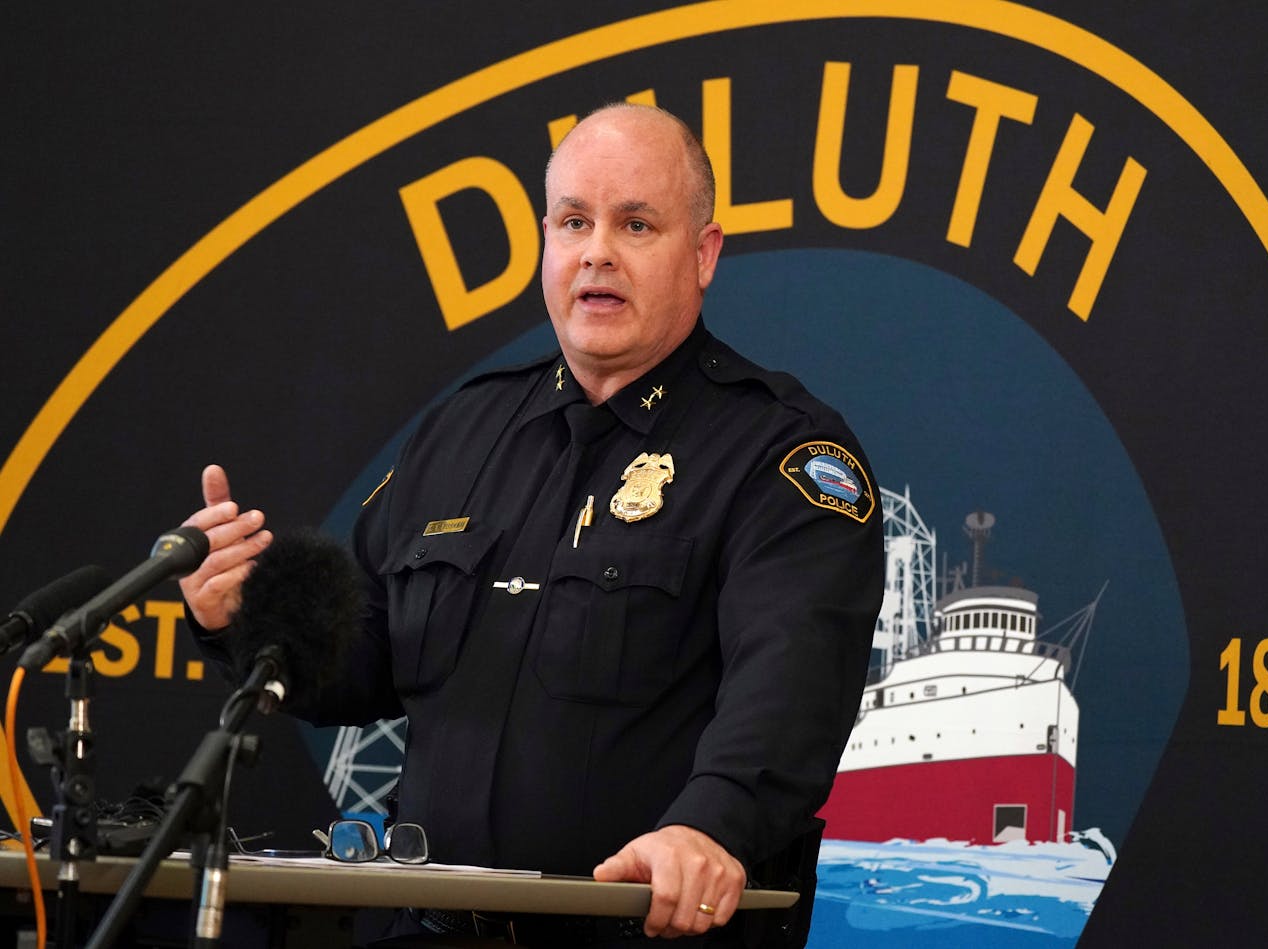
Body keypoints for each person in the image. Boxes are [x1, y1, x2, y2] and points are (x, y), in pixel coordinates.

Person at [181, 103, 882, 947]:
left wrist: (710, 826)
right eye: (574, 222)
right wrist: (239, 612)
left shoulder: (780, 451)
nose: (597, 252)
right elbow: (360, 658)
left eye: (636, 224)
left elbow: (791, 683)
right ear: (546, 242)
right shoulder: (463, 432)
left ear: (703, 256)